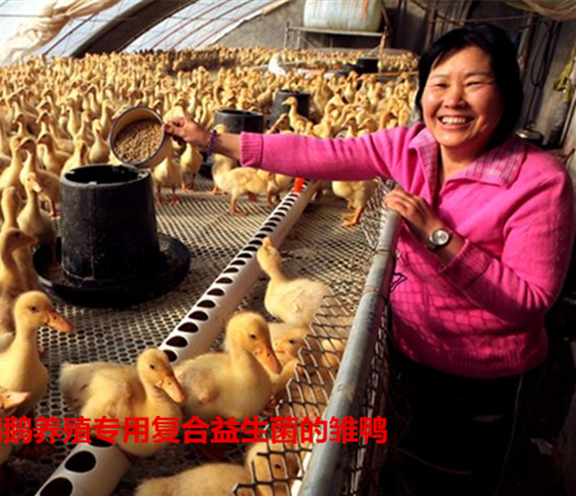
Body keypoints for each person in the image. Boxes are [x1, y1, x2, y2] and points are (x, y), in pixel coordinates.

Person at [165, 23, 575, 496]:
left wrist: (438, 235)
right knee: (409, 460)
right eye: (440, 83)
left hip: (484, 376)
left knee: (464, 478)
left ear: (507, 93)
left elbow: (529, 301)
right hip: (406, 349)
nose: (453, 100)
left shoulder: (540, 182)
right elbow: (319, 152)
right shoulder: (411, 146)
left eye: (475, 83)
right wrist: (213, 141)